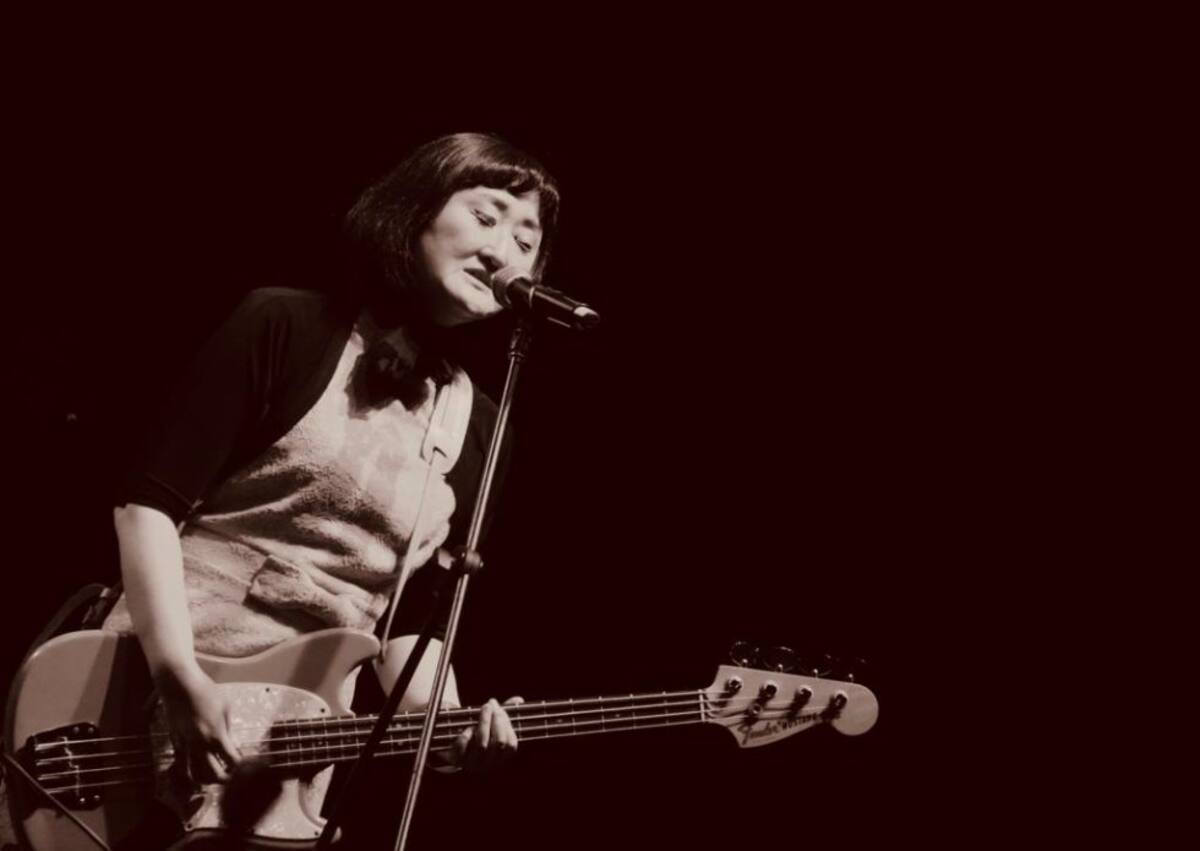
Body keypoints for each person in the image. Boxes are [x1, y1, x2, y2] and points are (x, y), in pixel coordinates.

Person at [97, 132, 560, 845]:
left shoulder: (479, 426)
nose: (504, 251)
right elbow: (148, 507)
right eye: (486, 215)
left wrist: (448, 723)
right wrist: (178, 675)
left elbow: (409, 623)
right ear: (417, 210)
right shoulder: (287, 325)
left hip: (291, 743)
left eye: (527, 240)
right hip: (148, 693)